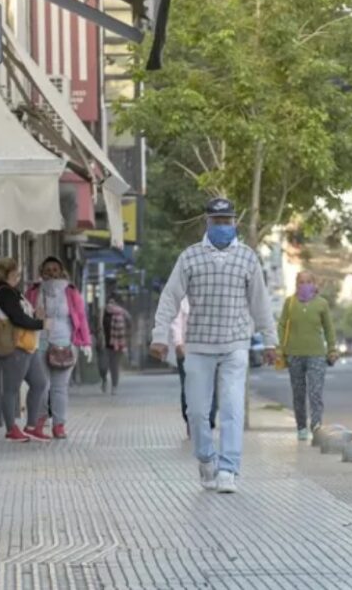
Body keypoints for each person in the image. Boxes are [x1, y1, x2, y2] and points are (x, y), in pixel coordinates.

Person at [149, 198, 278, 494]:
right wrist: (159, 337)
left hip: (235, 345)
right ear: (207, 222)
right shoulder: (190, 257)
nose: (223, 227)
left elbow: (260, 303)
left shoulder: (247, 258)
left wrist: (270, 341)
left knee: (232, 408)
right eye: (217, 221)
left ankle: (228, 469)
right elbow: (170, 298)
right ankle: (206, 458)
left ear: (235, 223)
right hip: (198, 346)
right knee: (197, 412)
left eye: (227, 221)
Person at [26, 257, 93, 440]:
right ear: (41, 271)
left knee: (59, 387)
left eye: (55, 269)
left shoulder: (70, 291)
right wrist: (33, 314)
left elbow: (81, 317)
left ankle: (59, 425)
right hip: (39, 342)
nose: (51, 272)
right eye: (47, 269)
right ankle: (39, 422)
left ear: (61, 271)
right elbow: (24, 314)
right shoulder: (33, 291)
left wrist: (86, 342)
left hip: (65, 342)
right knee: (41, 385)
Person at [0, 258, 50, 442]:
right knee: (11, 389)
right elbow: (17, 318)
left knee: (39, 383)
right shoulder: (4, 293)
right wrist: (41, 323)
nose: (19, 276)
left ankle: (31, 426)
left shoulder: (13, 292)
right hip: (15, 347)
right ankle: (11, 428)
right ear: (6, 274)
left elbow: (22, 315)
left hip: (28, 346)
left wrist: (36, 316)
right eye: (16, 273)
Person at [278, 271, 338, 442]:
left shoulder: (322, 304)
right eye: (301, 282)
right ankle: (301, 427)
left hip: (317, 355)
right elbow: (282, 325)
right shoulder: (289, 303)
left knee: (315, 392)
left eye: (308, 282)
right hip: (294, 354)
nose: (305, 285)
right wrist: (279, 348)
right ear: (296, 284)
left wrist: (332, 348)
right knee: (298, 393)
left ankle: (317, 426)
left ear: (314, 283)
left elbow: (329, 328)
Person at [169, 297, 218, 438]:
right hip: (187, 350)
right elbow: (176, 322)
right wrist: (178, 343)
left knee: (210, 387)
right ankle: (191, 420)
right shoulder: (182, 300)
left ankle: (208, 422)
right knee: (188, 388)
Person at [101, 295, 131, 395]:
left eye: (113, 302)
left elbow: (129, 323)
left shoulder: (122, 313)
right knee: (103, 366)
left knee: (114, 367)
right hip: (105, 343)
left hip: (117, 345)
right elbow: (98, 325)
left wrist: (125, 338)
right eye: (109, 302)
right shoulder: (103, 313)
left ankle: (114, 386)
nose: (110, 305)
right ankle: (104, 379)